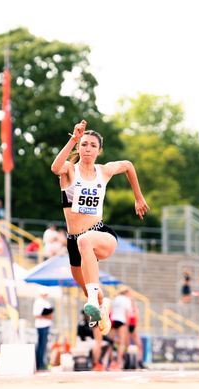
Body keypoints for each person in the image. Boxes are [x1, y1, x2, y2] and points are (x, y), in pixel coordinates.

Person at [50, 119, 149, 334]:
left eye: (93, 145)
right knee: (89, 288)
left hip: (100, 233)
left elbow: (128, 166)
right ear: (78, 147)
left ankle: (94, 301)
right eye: (84, 144)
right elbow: (55, 167)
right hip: (73, 242)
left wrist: (138, 198)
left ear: (99, 151)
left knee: (86, 241)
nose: (87, 149)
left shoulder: (104, 171)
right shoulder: (69, 170)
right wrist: (73, 139)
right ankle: (102, 306)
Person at [109, 286, 133, 370]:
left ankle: (110, 361)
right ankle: (119, 362)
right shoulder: (127, 300)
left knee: (110, 342)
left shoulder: (115, 299)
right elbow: (128, 314)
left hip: (113, 320)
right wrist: (127, 326)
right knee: (122, 343)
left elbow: (111, 311)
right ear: (126, 293)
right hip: (121, 321)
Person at [33, 287, 54, 371]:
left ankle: (41, 363)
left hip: (45, 325)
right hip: (41, 326)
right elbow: (36, 315)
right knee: (41, 345)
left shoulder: (45, 302)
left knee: (43, 345)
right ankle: (39, 364)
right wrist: (47, 316)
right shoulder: (38, 302)